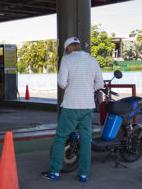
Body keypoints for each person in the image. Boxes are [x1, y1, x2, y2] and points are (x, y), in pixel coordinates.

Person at [41, 37, 104, 183]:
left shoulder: (67, 59)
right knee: (86, 140)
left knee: (61, 138)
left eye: (66, 49)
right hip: (88, 106)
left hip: (71, 106)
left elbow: (62, 84)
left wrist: (71, 83)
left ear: (69, 48)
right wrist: (89, 88)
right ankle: (83, 174)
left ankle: (55, 172)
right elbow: (99, 83)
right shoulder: (93, 60)